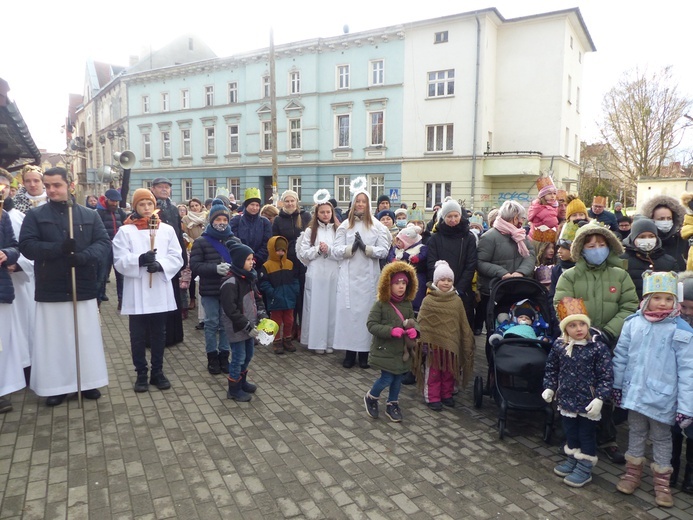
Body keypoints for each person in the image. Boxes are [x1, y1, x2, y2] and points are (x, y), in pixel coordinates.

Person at [19, 167, 111, 406]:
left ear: (69, 185)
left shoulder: (89, 215)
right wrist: (57, 248)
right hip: (52, 286)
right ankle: (57, 386)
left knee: (85, 337)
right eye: (47, 186)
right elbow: (27, 246)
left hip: (82, 284)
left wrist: (83, 256)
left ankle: (88, 381)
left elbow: (103, 244)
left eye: (56, 185)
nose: (51, 190)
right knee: (55, 340)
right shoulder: (36, 215)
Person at [554, 221, 639, 463]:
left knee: (605, 392)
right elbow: (563, 306)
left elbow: (629, 307)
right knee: (575, 388)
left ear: (610, 246)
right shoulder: (569, 276)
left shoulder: (620, 276)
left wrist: (608, 332)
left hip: (610, 343)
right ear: (580, 249)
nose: (596, 249)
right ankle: (574, 437)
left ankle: (606, 438)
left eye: (601, 244)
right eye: (590, 245)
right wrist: (583, 332)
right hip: (577, 344)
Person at [613, 271, 693, 508]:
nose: (663, 303)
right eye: (657, 297)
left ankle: (662, 484)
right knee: (636, 434)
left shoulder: (681, 330)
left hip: (663, 399)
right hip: (635, 395)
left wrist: (686, 408)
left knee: (661, 439)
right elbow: (621, 356)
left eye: (669, 299)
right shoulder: (633, 323)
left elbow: (688, 371)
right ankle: (632, 474)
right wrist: (617, 386)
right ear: (647, 298)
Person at [113, 189, 183, 392]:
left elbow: (176, 256)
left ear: (155, 206)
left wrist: (160, 265)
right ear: (135, 207)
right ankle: (141, 372)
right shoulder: (126, 231)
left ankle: (158, 372)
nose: (146, 208)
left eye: (149, 204)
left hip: (158, 288)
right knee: (137, 336)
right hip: (137, 290)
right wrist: (139, 260)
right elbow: (118, 259)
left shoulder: (166, 230)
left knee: (159, 334)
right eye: (141, 204)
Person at [542, 297, 613, 487]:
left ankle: (585, 466)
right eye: (572, 325)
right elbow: (552, 368)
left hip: (588, 403)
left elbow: (606, 375)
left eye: (582, 324)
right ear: (565, 329)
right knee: (570, 432)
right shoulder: (559, 346)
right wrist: (549, 386)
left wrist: (600, 398)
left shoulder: (597, 348)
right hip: (566, 399)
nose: (579, 329)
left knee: (586, 434)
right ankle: (573, 457)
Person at [332, 181, 391, 369]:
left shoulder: (377, 227)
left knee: (367, 314)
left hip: (368, 276)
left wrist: (367, 249)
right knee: (349, 314)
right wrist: (350, 248)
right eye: (357, 201)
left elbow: (384, 249)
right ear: (353, 203)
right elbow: (335, 250)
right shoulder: (344, 226)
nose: (360, 204)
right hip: (349, 277)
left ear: (368, 204)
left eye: (363, 201)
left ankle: (365, 353)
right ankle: (349, 353)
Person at [414, 260, 474, 411]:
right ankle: (432, 397)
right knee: (433, 372)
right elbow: (422, 322)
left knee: (449, 371)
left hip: (451, 346)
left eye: (449, 280)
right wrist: (424, 342)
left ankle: (446, 394)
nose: (446, 283)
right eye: (442, 280)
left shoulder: (456, 301)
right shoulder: (428, 300)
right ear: (436, 281)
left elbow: (462, 323)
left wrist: (463, 341)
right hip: (433, 346)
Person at [363, 261, 419, 422]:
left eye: (404, 283)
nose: (401, 286)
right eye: (397, 283)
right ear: (388, 284)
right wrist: (390, 331)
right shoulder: (381, 304)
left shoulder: (407, 303)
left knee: (398, 378)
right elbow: (371, 325)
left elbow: (412, 320)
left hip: (402, 351)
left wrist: (414, 329)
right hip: (385, 349)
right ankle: (371, 397)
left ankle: (392, 403)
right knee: (387, 378)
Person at [190, 200, 240, 375]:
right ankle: (212, 357)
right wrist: (214, 269)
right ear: (211, 220)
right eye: (218, 219)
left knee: (226, 323)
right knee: (211, 323)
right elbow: (195, 265)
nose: (222, 222)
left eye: (225, 220)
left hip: (229, 290)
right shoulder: (201, 241)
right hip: (210, 290)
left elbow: (242, 264)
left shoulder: (234, 240)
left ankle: (224, 356)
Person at [477, 200, 536, 334]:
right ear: (515, 218)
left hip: (517, 288)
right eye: (521, 218)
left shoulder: (520, 235)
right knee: (496, 327)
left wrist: (521, 272)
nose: (523, 221)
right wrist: (502, 273)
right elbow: (480, 262)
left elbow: (530, 255)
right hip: (495, 291)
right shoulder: (489, 237)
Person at [220, 242, 268, 402]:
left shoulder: (249, 278)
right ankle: (234, 388)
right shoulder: (230, 283)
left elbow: (257, 299)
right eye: (248, 259)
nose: (252, 262)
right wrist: (247, 326)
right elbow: (231, 310)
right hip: (237, 328)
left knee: (248, 355)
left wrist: (262, 315)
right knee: (238, 357)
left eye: (252, 259)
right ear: (240, 261)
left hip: (250, 327)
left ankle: (242, 381)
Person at [296, 192, 339, 354]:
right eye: (322, 212)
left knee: (332, 308)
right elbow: (304, 253)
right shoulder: (309, 232)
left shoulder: (338, 231)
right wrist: (318, 250)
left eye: (328, 212)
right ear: (317, 214)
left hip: (333, 273)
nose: (326, 215)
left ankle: (330, 341)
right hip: (317, 274)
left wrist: (330, 250)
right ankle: (316, 342)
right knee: (316, 308)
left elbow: (342, 252)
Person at [426, 197, 478, 327]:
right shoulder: (435, 239)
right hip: (440, 289)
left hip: (462, 290)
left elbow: (470, 265)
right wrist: (441, 285)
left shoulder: (468, 238)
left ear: (460, 215)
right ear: (444, 217)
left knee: (463, 326)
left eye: (456, 215)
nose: (453, 219)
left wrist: (459, 288)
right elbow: (431, 263)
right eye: (449, 216)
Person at [150, 177, 186, 346]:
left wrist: (182, 258)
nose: (164, 190)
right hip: (155, 260)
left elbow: (179, 235)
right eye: (161, 187)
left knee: (173, 296)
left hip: (172, 258)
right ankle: (157, 336)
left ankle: (174, 335)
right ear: (153, 189)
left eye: (167, 187)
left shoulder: (173, 209)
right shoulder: (150, 208)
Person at [272, 190, 311, 338]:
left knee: (303, 294)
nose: (290, 204)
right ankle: (292, 325)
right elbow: (275, 241)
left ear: (296, 202)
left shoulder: (305, 217)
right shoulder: (278, 220)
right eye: (287, 201)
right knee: (290, 294)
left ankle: (303, 326)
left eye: (292, 201)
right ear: (283, 202)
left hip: (304, 262)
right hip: (287, 262)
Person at [259, 236, 300, 355]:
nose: (280, 252)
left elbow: (295, 279)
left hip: (289, 298)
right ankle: (276, 341)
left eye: (283, 250)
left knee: (289, 321)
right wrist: (272, 293)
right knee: (275, 322)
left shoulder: (290, 264)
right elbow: (264, 282)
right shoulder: (267, 266)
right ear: (272, 250)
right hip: (275, 299)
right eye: (278, 250)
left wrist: (295, 291)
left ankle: (287, 339)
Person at [0, 179, 21, 413]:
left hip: (0, 285)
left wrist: (6, 254)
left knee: (0, 342)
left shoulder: (2, 216)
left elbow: (14, 246)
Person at [621, 218, 677, 299]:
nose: (647, 240)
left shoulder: (669, 261)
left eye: (651, 236)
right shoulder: (622, 260)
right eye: (642, 237)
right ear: (633, 238)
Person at [672, 272, 693, 493]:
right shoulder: (674, 325)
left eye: (692, 308)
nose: (687, 313)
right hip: (675, 387)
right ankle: (672, 469)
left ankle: (690, 474)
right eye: (684, 307)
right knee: (673, 432)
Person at [96, 188, 127, 308]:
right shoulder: (99, 213)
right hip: (104, 248)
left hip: (118, 247)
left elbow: (126, 225)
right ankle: (98, 299)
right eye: (113, 201)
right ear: (107, 200)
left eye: (116, 202)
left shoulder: (120, 212)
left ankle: (122, 301)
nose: (115, 204)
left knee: (121, 275)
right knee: (102, 274)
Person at [640, 194, 688, 271]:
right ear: (651, 219)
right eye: (661, 219)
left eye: (669, 218)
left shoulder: (683, 240)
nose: (665, 221)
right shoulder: (645, 241)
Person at [387, 223, 428, 312]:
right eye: (397, 240)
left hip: (417, 278)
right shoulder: (396, 249)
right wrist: (393, 260)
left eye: (400, 241)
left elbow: (424, 255)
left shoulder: (420, 248)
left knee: (416, 293)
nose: (398, 243)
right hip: (399, 278)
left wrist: (415, 258)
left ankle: (416, 310)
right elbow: (390, 256)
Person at [230, 187, 272, 266]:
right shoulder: (236, 221)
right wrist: (244, 258)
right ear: (246, 205)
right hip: (240, 262)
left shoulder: (265, 222)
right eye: (252, 205)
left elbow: (267, 243)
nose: (255, 208)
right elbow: (233, 241)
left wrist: (256, 258)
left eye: (257, 205)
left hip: (259, 263)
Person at [527, 177, 559, 244]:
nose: (553, 196)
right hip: (543, 241)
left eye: (554, 193)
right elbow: (553, 224)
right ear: (543, 195)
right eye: (549, 194)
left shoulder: (536, 207)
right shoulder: (547, 210)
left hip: (533, 238)